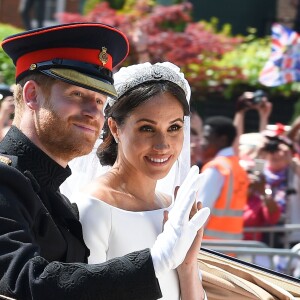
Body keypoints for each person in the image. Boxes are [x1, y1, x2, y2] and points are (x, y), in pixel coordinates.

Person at [0, 23, 210, 300]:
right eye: (77, 94)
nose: (92, 112)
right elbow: (24, 283)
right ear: (31, 95)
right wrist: (156, 261)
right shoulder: (7, 181)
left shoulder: (52, 194)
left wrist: (185, 265)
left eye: (100, 101)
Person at [69, 62, 209, 300]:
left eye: (174, 127)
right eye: (147, 128)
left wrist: (187, 264)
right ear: (115, 128)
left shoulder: (171, 208)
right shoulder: (94, 207)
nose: (163, 144)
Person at [197, 116, 249, 240]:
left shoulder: (216, 168)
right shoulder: (238, 168)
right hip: (229, 249)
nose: (202, 143)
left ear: (222, 140)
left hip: (207, 248)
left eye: (206, 138)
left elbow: (201, 211)